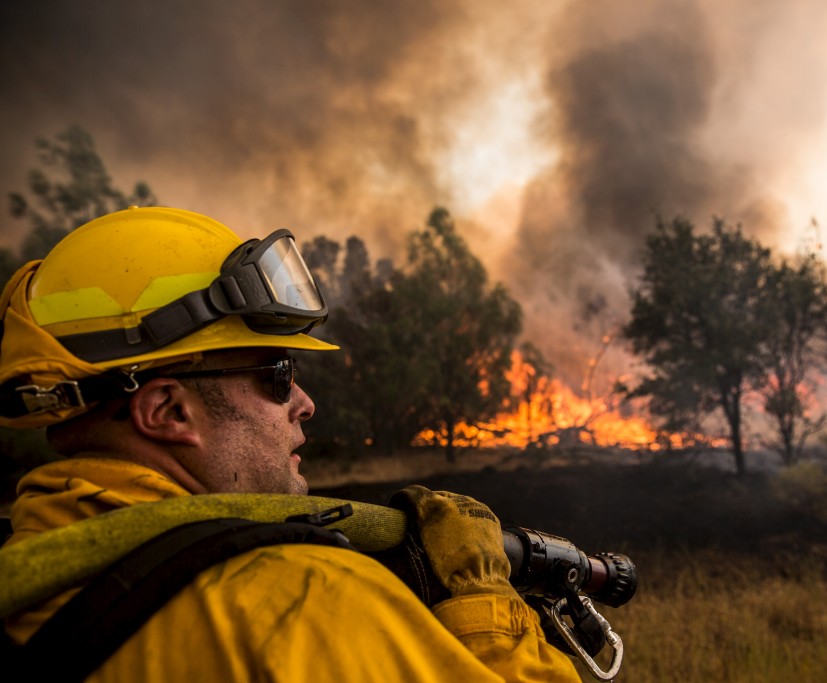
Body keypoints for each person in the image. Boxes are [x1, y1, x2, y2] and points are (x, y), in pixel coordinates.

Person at [0, 207, 582, 681]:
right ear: (169, 411)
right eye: (277, 376)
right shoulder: (303, 601)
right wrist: (484, 604)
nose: (305, 403)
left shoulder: (27, 571)